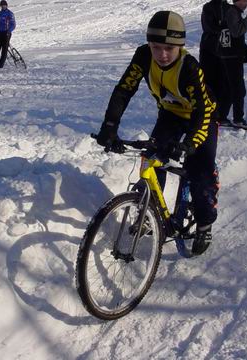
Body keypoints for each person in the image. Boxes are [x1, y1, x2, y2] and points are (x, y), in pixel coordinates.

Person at [96, 11, 219, 255]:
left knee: (199, 172)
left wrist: (190, 144)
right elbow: (123, 90)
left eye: (168, 48)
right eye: (155, 47)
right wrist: (109, 128)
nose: (162, 55)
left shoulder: (189, 67)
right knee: (152, 159)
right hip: (170, 116)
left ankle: (205, 223)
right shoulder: (143, 56)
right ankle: (148, 214)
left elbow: (202, 110)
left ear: (179, 47)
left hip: (202, 118)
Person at [199, 0, 247, 128]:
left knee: (228, 87)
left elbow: (233, 33)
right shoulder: (210, 7)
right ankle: (210, 114)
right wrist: (225, 27)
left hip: (225, 52)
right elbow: (209, 27)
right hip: (212, 51)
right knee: (211, 84)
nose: (245, 3)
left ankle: (221, 116)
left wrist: (243, 48)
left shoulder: (229, 8)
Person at [0, 0, 16, 70]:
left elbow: (13, 24)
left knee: (4, 50)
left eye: (4, 5)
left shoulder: (10, 13)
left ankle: (0, 66)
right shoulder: (0, 13)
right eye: (1, 5)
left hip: (6, 33)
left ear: (6, 5)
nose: (3, 6)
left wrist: (9, 31)